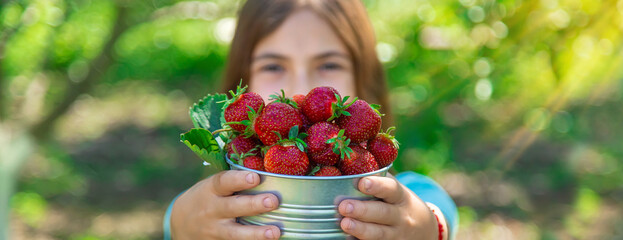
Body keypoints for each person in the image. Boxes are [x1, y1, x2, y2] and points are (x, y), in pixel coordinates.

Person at [164, 0, 458, 239]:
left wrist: (429, 226)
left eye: (329, 64)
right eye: (273, 66)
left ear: (364, 80)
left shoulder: (403, 196)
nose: (300, 87)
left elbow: (436, 205)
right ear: (242, 79)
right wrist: (181, 223)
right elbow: (178, 217)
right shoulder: (222, 205)